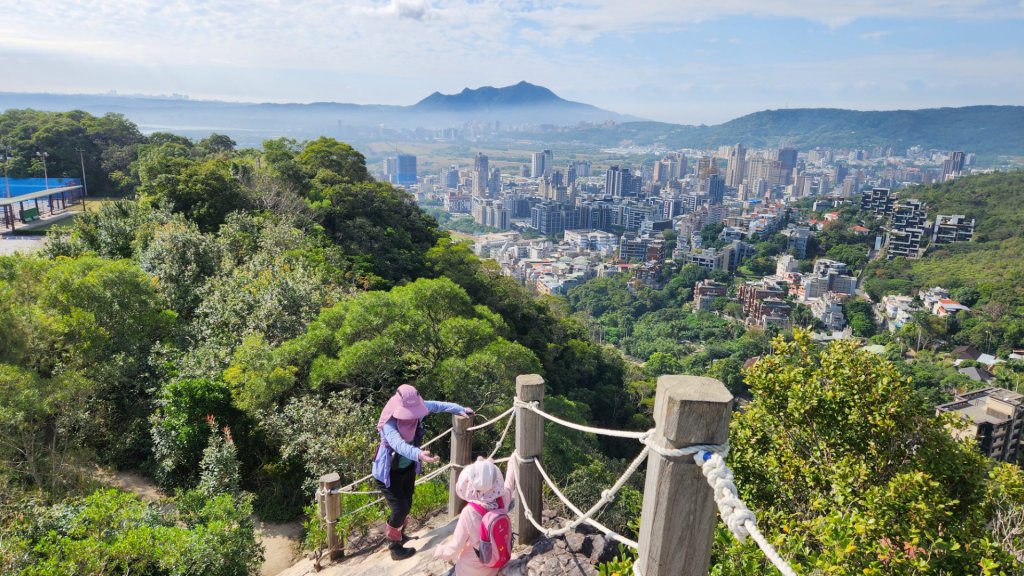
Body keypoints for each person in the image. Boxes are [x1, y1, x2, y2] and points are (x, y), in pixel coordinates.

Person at [374, 384, 473, 560]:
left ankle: (401, 536)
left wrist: (460, 409)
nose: (412, 415)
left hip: (407, 467)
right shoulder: (389, 422)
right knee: (400, 508)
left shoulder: (418, 409)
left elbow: (438, 406)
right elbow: (398, 444)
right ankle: (394, 546)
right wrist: (418, 454)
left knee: (408, 503)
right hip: (389, 473)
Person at [434, 458, 517, 576]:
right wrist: (512, 463)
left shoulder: (469, 512)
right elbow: (509, 485)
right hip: (495, 564)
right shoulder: (502, 502)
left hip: (470, 569)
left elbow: (456, 547)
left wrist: (440, 551)